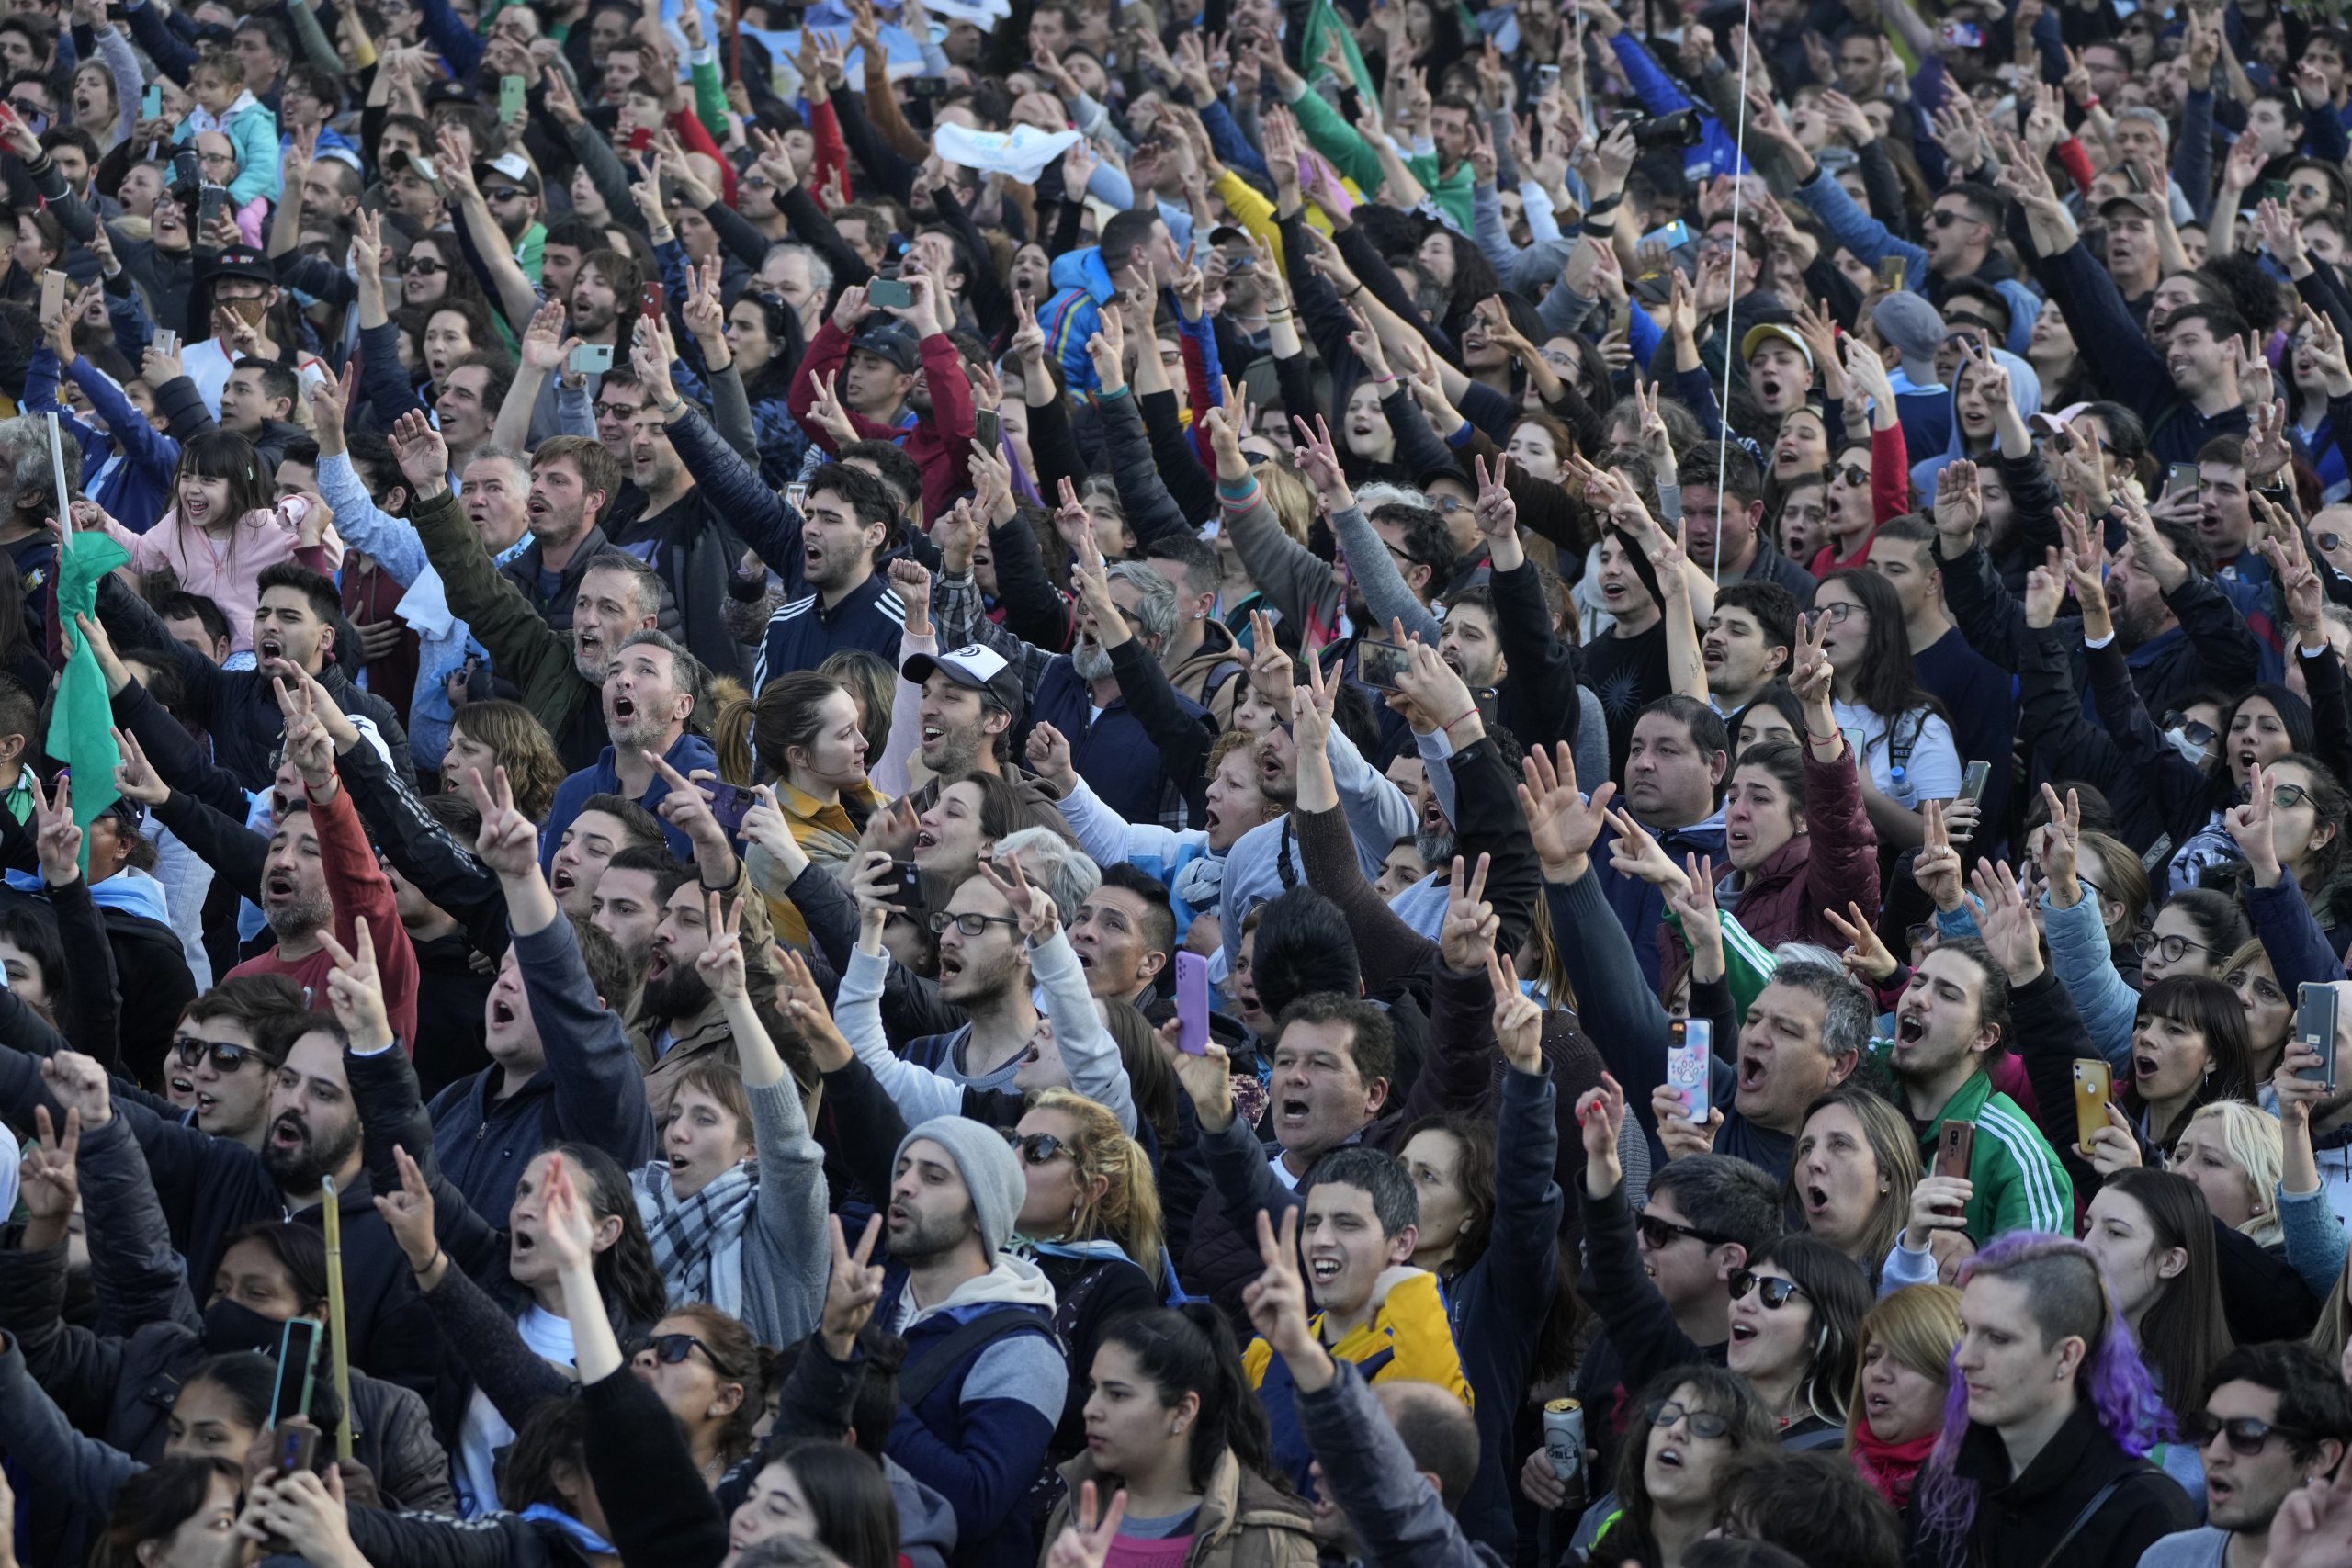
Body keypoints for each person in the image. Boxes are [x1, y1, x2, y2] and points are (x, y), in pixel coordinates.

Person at [1907, 1232, 2198, 1568]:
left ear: (2067, 1356)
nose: (1964, 1359)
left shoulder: (2145, 1510)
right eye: (1966, 1330)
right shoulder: (1944, 1479)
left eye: (1998, 1338)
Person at [1040, 1305, 1318, 1567]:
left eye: (1117, 1395)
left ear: (1183, 1411)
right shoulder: (1075, 1507)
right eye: (1093, 1389)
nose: (1090, 1410)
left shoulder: (1270, 1536)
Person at [2141, 1342, 2352, 1568]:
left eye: (2247, 1433)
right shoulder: (2166, 1558)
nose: (2215, 1453)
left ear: (2319, 1458)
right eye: (2208, 1428)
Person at [1846, 1284, 1963, 1511]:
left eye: (1904, 1359)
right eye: (1872, 1356)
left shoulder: (1981, 1500)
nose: (1878, 1373)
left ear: (1955, 1379)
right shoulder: (1829, 1485)